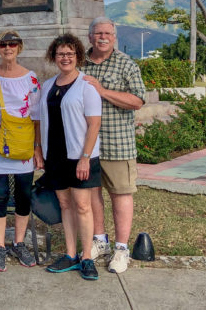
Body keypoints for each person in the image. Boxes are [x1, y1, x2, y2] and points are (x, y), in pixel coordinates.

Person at [0, 30, 42, 272]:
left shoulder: (31, 79)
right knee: (0, 195)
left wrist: (37, 148)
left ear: (19, 47)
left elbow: (36, 117)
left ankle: (19, 242)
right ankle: (1, 246)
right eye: (3, 44)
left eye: (12, 44)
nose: (8, 48)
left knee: (24, 196)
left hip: (23, 147)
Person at [81, 17, 145, 274]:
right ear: (90, 37)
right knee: (92, 194)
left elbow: (138, 100)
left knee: (121, 195)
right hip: (88, 145)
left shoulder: (126, 64)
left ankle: (121, 249)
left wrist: (102, 91)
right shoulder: (79, 63)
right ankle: (100, 240)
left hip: (117, 143)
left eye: (108, 33)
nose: (103, 37)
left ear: (114, 37)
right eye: (98, 33)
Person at [37, 33, 102, 281]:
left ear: (78, 56)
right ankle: (71, 253)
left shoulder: (87, 85)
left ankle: (87, 257)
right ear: (54, 56)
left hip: (80, 157)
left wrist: (86, 157)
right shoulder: (48, 86)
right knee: (65, 205)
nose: (65, 58)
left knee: (83, 206)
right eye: (61, 53)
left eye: (70, 54)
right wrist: (39, 151)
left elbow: (94, 124)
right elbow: (40, 120)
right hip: (55, 156)